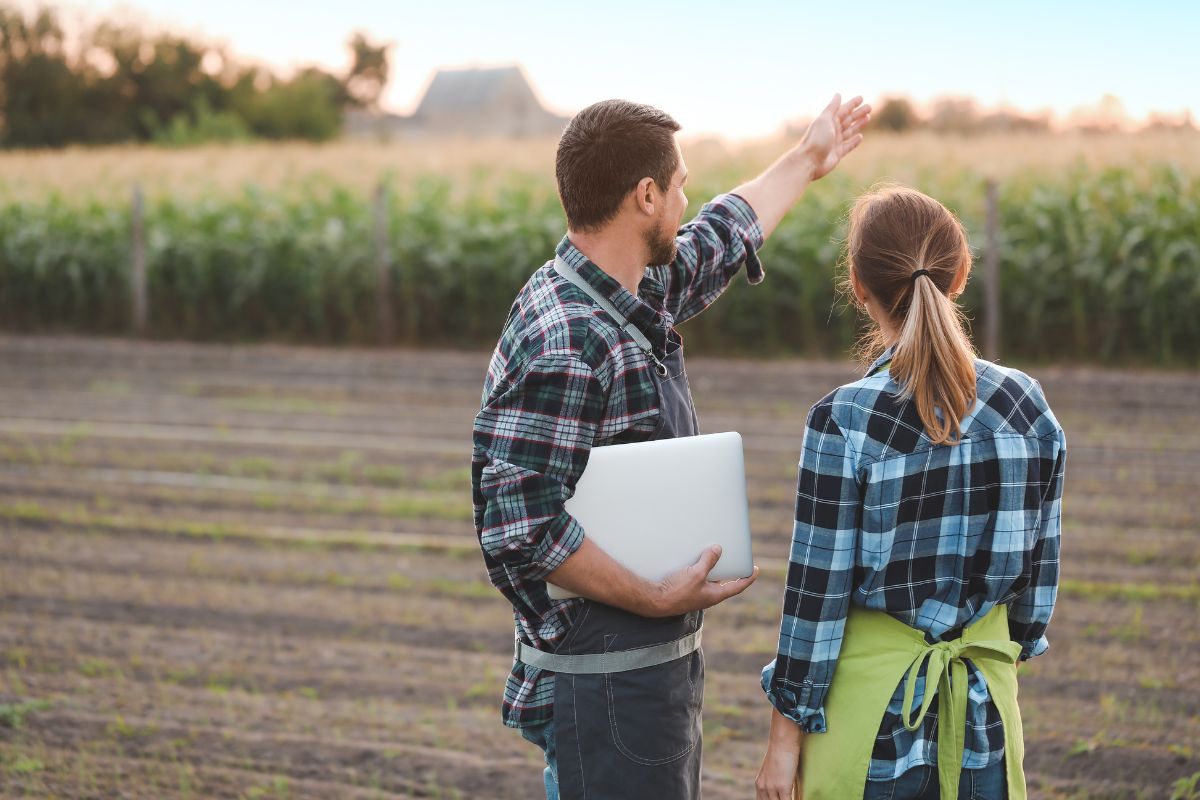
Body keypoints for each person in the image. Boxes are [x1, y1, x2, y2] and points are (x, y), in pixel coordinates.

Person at [471, 94, 870, 800]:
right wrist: (653, 596)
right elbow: (518, 524)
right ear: (645, 195)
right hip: (606, 688)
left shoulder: (624, 290)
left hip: (641, 676)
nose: (689, 200)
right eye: (680, 185)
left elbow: (722, 234)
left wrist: (808, 159)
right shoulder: (566, 339)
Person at [755, 186, 1066, 800]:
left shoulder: (844, 421)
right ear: (959, 277)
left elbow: (815, 601)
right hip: (983, 724)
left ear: (858, 284)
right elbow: (1034, 596)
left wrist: (783, 743)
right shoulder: (1027, 408)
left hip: (870, 732)